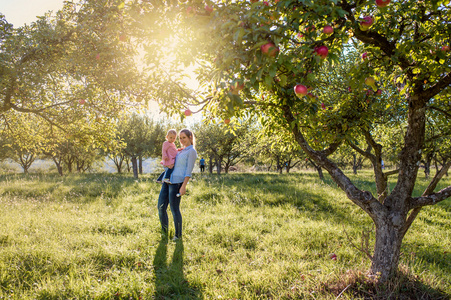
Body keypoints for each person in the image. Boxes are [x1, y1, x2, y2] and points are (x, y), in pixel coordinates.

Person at [157, 128, 197, 241]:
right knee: (161, 207)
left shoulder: (191, 152)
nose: (182, 140)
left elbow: (188, 171)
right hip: (167, 180)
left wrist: (183, 186)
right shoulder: (180, 150)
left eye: (184, 137)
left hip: (177, 183)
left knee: (174, 209)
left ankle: (178, 235)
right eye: (180, 138)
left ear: (190, 137)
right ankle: (164, 232)